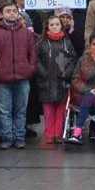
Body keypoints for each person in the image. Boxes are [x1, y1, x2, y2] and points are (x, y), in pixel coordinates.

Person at [0, 2, 37, 149]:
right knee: (5, 111)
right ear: (2, 14)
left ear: (18, 13)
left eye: (14, 11)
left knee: (21, 110)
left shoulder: (27, 32)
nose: (11, 13)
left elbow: (32, 53)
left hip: (22, 77)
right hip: (2, 78)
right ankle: (7, 138)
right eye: (8, 11)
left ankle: (20, 138)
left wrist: (30, 68)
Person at [37, 16, 78, 145]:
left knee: (61, 109)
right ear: (47, 27)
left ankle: (58, 134)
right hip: (46, 81)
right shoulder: (41, 42)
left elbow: (73, 58)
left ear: (61, 26)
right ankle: (49, 134)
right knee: (48, 110)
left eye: (57, 24)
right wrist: (43, 73)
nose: (55, 27)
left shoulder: (67, 42)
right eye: (52, 25)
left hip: (62, 80)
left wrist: (67, 72)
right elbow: (36, 60)